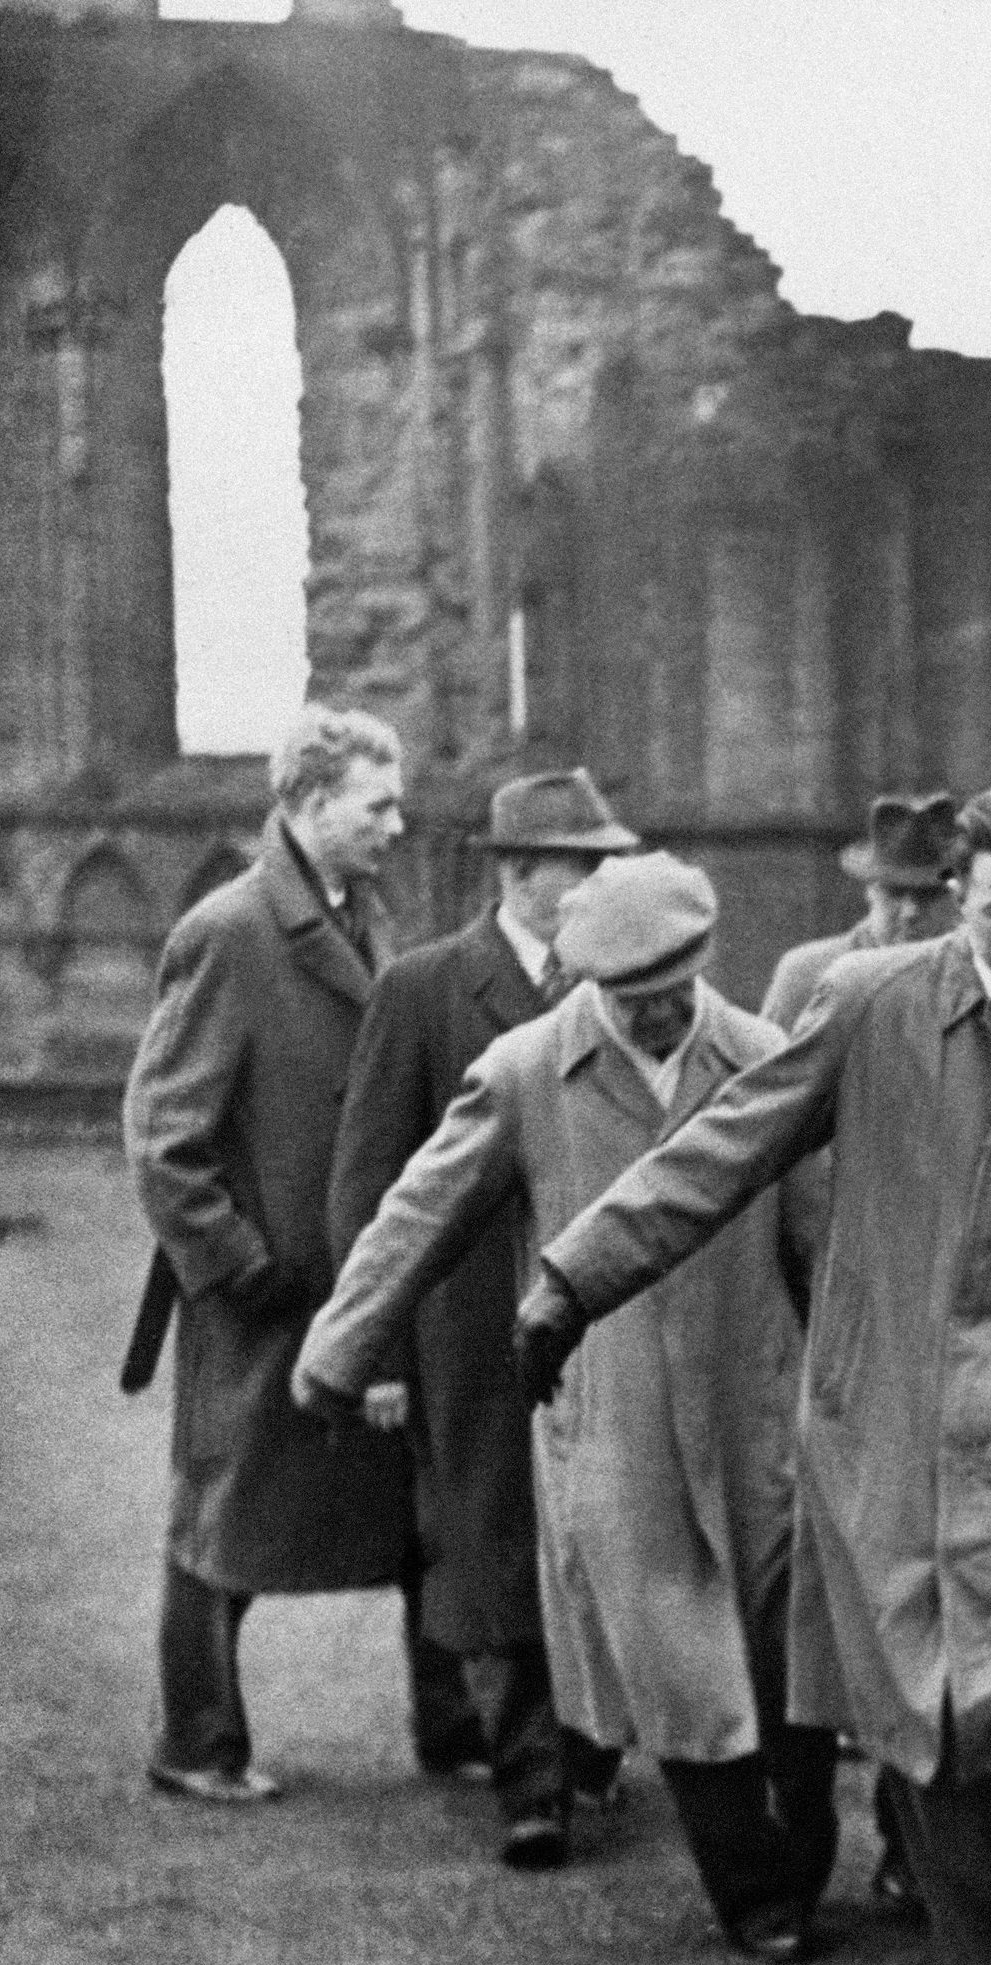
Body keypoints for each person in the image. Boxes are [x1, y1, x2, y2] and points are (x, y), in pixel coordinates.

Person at [513, 785, 991, 1965]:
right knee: (934, 1739)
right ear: (960, 900)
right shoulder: (869, 1006)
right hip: (882, 1440)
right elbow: (716, 1155)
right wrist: (571, 1279)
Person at [301, 854, 842, 1963]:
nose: (654, 1009)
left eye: (673, 985)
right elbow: (419, 1215)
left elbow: (823, 1251)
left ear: (703, 965)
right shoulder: (527, 1072)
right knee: (679, 1658)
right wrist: (341, 1348)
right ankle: (754, 1895)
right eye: (628, 990)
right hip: (614, 1417)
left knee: (784, 1659)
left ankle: (805, 1852)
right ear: (588, 981)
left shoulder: (765, 1063)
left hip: (756, 1407)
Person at [122, 706, 461, 1804]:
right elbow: (164, 1140)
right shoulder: (228, 932)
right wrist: (245, 1269)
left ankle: (454, 1730)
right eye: (378, 806)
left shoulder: (362, 916)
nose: (397, 826)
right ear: (311, 807)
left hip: (362, 1283)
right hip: (265, 1300)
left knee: (419, 1504)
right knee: (224, 1520)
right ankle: (198, 1744)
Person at [323, 769, 636, 1868]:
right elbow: (369, 1185)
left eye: (609, 862)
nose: (602, 882)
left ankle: (591, 1747)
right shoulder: (425, 990)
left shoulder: (628, 983)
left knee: (604, 1531)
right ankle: (531, 1781)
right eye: (580, 864)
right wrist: (375, 1349)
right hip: (469, 1327)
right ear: (516, 873)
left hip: (605, 1314)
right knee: (493, 1541)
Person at [757, 791, 964, 1923]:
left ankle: (910, 1832)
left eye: (925, 895)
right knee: (814, 1588)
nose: (904, 914)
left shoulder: (968, 988)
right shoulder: (810, 980)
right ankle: (799, 1837)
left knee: (918, 1590)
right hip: (823, 1318)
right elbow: (772, 1141)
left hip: (932, 1327)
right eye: (888, 894)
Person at [761, 792, 960, 1031]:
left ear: (957, 896)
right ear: (870, 892)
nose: (910, 912)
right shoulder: (808, 974)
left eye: (928, 895)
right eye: (894, 893)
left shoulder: (974, 975)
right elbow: (769, 1065)